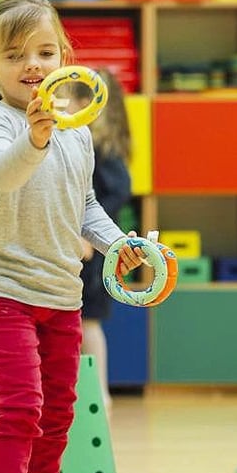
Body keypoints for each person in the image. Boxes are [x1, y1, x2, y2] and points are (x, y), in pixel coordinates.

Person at [0, 0, 142, 473]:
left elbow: (84, 204)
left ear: (65, 55)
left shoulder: (77, 132)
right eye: (15, 55)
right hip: (0, 287)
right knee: (19, 408)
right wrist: (33, 136)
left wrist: (120, 244)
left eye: (42, 51)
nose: (31, 64)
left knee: (59, 410)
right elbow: (5, 176)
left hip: (60, 290)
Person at [68, 69, 132, 414]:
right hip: (81, 247)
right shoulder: (87, 142)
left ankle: (99, 395)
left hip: (92, 252)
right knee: (78, 322)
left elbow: (119, 190)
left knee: (88, 321)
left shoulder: (99, 147)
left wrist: (87, 236)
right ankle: (88, 394)